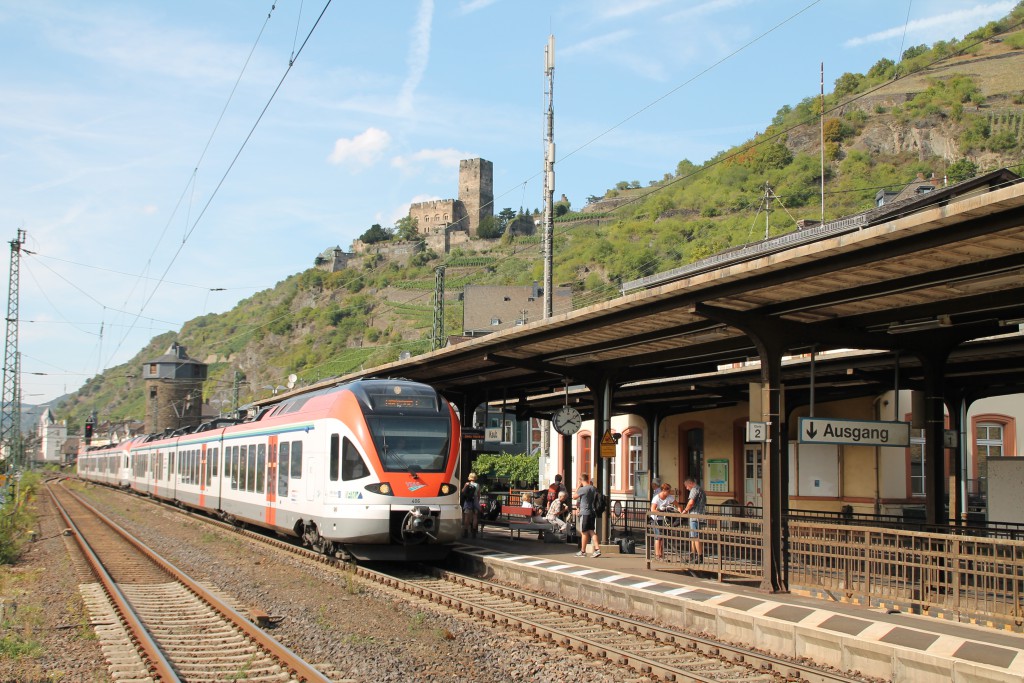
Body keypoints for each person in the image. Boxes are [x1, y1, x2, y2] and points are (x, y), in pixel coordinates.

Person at [572, 473, 601, 558]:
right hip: (592, 512)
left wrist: (578, 486)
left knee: (584, 532)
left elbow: (574, 496)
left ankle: (583, 551)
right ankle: (597, 549)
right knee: (591, 531)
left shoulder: (583, 489)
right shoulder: (593, 488)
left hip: (585, 513)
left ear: (581, 480)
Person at [681, 476, 707, 562]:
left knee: (695, 536)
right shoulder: (700, 489)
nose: (686, 488)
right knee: (693, 536)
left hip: (695, 516)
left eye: (686, 486)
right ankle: (693, 554)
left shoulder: (694, 489)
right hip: (700, 515)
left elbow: (691, 502)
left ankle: (699, 556)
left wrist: (685, 510)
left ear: (690, 483)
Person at [649, 482, 677, 559]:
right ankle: (657, 554)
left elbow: (677, 505)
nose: (669, 493)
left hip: (663, 519)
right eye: (668, 491)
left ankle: (661, 554)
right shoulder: (656, 498)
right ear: (663, 490)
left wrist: (680, 512)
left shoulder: (669, 497)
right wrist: (661, 512)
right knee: (658, 536)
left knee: (662, 536)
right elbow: (652, 509)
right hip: (655, 519)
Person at [461, 472, 480, 538]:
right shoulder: (477, 485)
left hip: (468, 501)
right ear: (475, 478)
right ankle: (474, 532)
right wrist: (477, 502)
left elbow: (463, 491)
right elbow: (478, 495)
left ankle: (466, 532)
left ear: (469, 478)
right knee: (475, 517)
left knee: (467, 517)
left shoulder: (467, 484)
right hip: (475, 500)